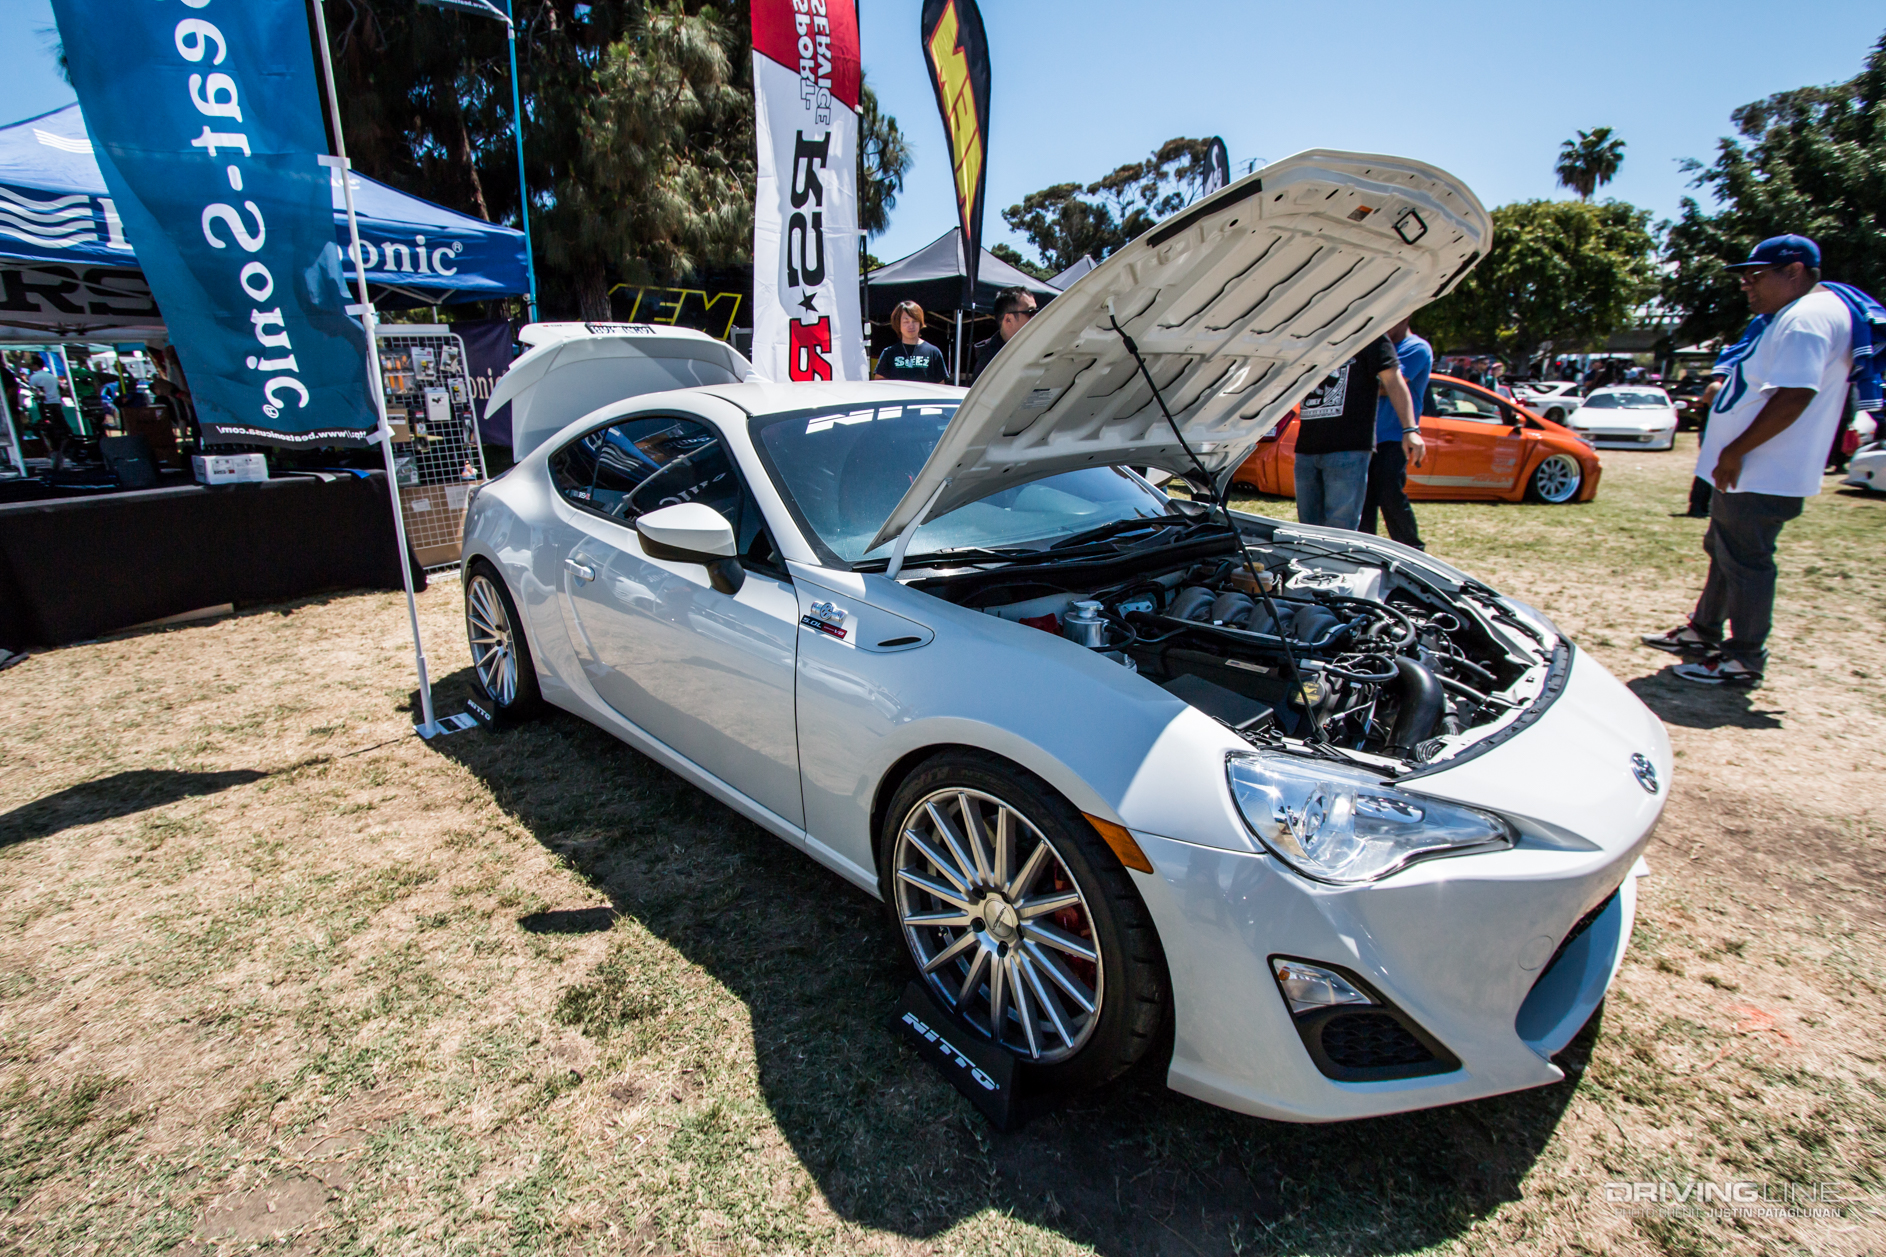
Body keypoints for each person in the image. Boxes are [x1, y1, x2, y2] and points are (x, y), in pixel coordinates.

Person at [1643, 235, 1858, 687]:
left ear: (1794, 271)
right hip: (1753, 471)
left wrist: (1736, 449)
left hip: (1763, 469)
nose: (1746, 285)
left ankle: (1744, 656)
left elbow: (1795, 395)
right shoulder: (1800, 314)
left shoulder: (1806, 319)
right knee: (1725, 552)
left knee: (1747, 562)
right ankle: (1703, 630)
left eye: (1755, 276)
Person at [1294, 334, 1417, 531]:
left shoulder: (1369, 332)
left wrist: (1410, 429)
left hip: (1348, 447)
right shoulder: (1310, 332)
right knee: (1307, 529)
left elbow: (1393, 380)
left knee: (1340, 530)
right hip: (1306, 447)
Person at [1360, 318, 1430, 547]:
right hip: (1367, 437)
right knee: (1364, 499)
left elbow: (1386, 386)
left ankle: (1412, 549)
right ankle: (1363, 551)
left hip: (1394, 437)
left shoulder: (1416, 348)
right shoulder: (1375, 346)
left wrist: (1361, 380)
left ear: (1405, 317)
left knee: (1389, 494)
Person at [964, 287, 1038, 385]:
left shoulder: (1035, 349)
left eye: (1037, 312)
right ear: (1008, 319)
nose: (1036, 317)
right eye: (1031, 313)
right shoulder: (990, 364)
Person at [871, 301, 949, 384]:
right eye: (906, 322)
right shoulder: (889, 353)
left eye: (914, 321)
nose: (911, 326)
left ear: (920, 323)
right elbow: (879, 383)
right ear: (898, 324)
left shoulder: (933, 352)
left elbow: (940, 385)